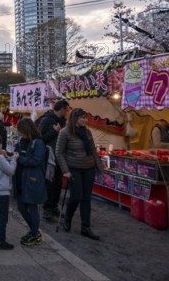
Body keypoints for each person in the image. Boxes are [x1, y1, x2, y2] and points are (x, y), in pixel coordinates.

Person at [56, 108, 104, 241]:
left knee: (86, 199)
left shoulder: (87, 132)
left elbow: (93, 151)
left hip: (89, 168)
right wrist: (65, 170)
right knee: (76, 197)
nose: (85, 120)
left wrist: (101, 170)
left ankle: (85, 227)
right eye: (83, 117)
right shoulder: (64, 132)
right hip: (74, 168)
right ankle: (68, 217)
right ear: (75, 118)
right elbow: (59, 152)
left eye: (86, 117)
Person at [14, 117, 47, 247]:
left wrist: (19, 159)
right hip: (20, 178)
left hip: (32, 179)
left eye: (21, 131)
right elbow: (17, 154)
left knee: (32, 207)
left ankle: (35, 234)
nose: (20, 133)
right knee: (21, 207)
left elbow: (36, 160)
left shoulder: (38, 143)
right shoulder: (21, 141)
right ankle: (34, 231)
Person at [38, 100, 70, 220]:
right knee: (50, 183)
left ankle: (54, 206)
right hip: (49, 156)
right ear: (61, 109)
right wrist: (54, 131)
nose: (66, 113)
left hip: (60, 157)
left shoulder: (63, 122)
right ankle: (47, 208)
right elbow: (41, 138)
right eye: (66, 110)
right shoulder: (46, 119)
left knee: (58, 183)